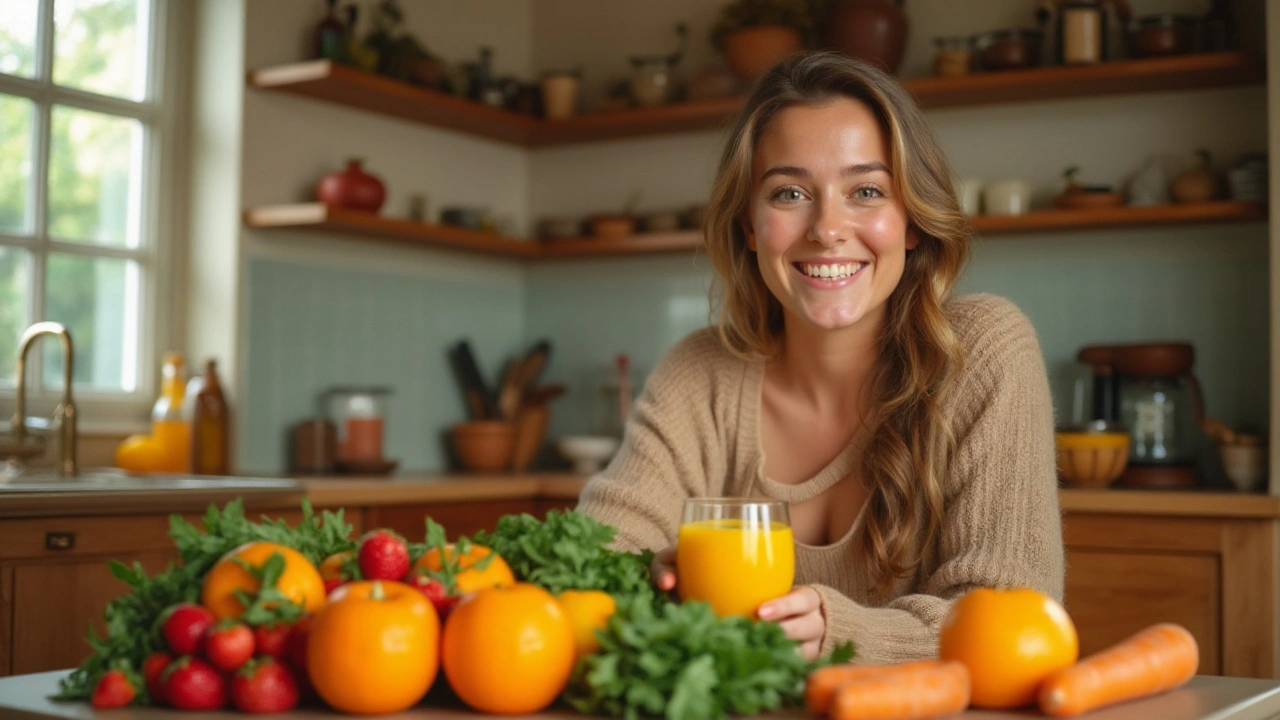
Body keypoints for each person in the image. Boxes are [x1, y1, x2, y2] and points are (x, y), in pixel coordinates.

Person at [576, 51, 1063, 663]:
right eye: (789, 193)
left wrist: (839, 635)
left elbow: (1009, 615)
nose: (827, 228)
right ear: (750, 226)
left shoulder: (984, 352)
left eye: (865, 190)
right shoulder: (697, 372)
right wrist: (654, 580)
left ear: (910, 219)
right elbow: (597, 556)